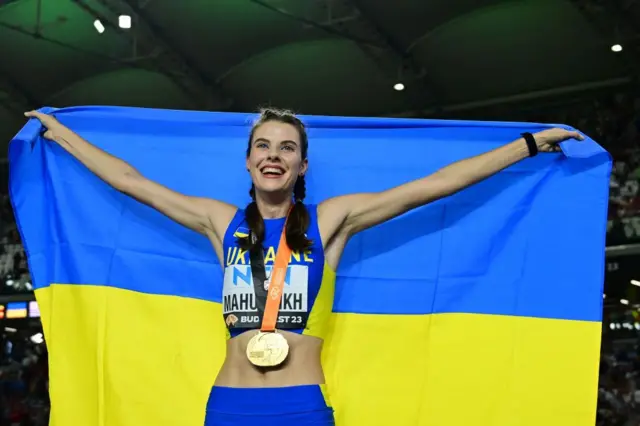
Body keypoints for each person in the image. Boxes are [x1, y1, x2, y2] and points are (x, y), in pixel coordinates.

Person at [24, 108, 583, 426]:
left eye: (287, 147)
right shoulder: (222, 223)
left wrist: (529, 144)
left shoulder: (332, 220)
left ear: (302, 163)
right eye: (263, 145)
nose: (274, 154)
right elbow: (132, 183)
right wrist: (62, 135)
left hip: (300, 408)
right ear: (248, 160)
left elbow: (433, 187)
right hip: (229, 406)